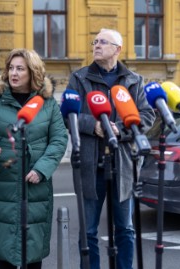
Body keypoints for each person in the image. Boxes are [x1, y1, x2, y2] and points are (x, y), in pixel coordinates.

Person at [0, 48, 68, 269]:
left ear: (32, 72)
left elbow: (59, 139)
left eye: (20, 69)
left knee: (32, 254)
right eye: (11, 68)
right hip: (1, 186)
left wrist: (42, 169)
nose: (14, 73)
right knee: (4, 253)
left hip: (36, 187)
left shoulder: (48, 103)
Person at [66, 28, 155, 269]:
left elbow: (147, 116)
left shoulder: (134, 80)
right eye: (94, 41)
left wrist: (121, 130)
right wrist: (93, 126)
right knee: (89, 231)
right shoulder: (79, 78)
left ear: (117, 49)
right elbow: (67, 114)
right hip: (90, 165)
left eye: (102, 42)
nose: (96, 45)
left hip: (123, 165)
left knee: (125, 228)